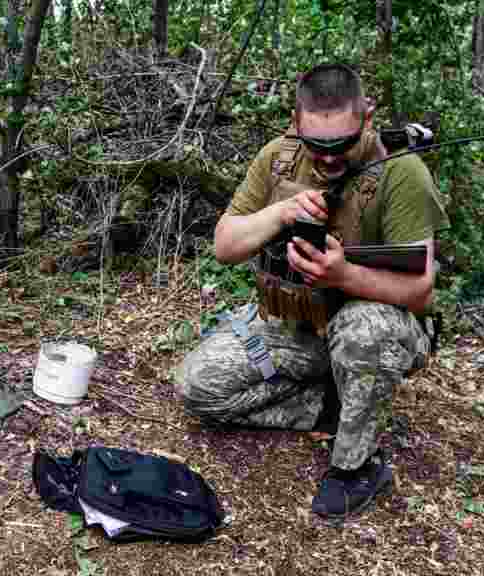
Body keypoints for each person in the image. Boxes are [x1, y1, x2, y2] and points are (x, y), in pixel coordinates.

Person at [174, 63, 449, 519]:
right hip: (297, 326)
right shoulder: (278, 159)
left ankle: (355, 466)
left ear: (367, 115)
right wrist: (281, 213)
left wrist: (342, 277)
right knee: (198, 388)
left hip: (372, 324)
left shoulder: (402, 174)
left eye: (341, 144)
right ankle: (334, 401)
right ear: (295, 122)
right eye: (315, 144)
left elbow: (420, 292)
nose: (328, 158)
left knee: (364, 329)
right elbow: (225, 246)